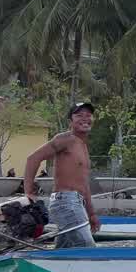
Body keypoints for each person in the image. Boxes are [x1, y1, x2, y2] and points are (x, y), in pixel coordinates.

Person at [25, 103, 100, 248]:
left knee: (63, 252)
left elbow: (84, 185)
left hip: (77, 203)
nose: (85, 118)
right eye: (79, 115)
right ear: (70, 121)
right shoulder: (65, 139)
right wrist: (28, 192)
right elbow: (33, 158)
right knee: (87, 249)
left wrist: (91, 214)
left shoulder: (82, 146)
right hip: (66, 202)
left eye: (88, 115)